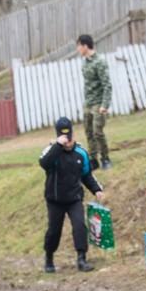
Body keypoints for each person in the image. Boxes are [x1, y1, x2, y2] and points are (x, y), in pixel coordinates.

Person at [40, 116, 105, 273]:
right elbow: (44, 163)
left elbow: (87, 175)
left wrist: (96, 189)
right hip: (55, 200)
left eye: (69, 138)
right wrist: (57, 146)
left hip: (74, 198)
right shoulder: (52, 151)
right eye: (64, 140)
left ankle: (82, 259)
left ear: (73, 135)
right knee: (54, 231)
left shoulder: (81, 153)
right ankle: (49, 257)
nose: (68, 143)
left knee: (79, 226)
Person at [77, 34, 112, 168]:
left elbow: (107, 84)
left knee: (98, 132)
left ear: (85, 46)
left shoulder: (99, 62)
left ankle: (105, 158)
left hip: (98, 103)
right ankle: (93, 160)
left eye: (79, 46)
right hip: (88, 103)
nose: (78, 49)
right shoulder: (84, 62)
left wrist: (105, 104)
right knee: (89, 132)